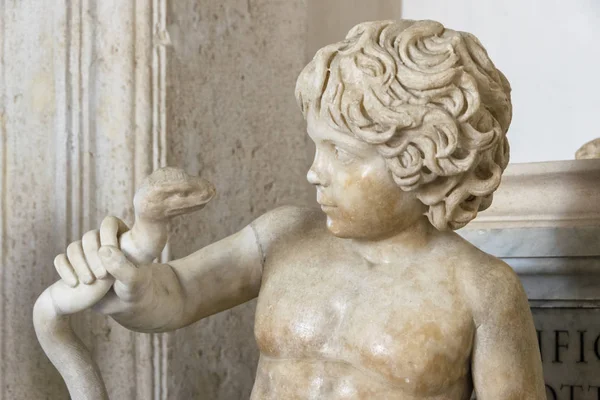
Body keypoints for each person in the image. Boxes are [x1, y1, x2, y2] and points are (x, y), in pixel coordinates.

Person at [54, 20, 545, 399]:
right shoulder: (283, 237)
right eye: (316, 147)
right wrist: (132, 278)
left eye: (343, 153)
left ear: (424, 162)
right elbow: (176, 293)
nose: (315, 172)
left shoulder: (481, 289)